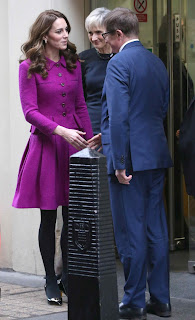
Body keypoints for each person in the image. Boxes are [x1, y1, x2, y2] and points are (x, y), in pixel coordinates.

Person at [89, 7, 173, 320]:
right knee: (155, 228)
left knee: (130, 231)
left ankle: (135, 301)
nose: (103, 42)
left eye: (106, 36)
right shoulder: (156, 61)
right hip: (154, 154)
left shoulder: (118, 63)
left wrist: (120, 161)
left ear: (119, 34)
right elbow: (159, 109)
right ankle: (161, 300)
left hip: (129, 160)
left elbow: (121, 114)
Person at [12, 9, 93, 306]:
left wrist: (90, 139)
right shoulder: (28, 67)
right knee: (49, 217)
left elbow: (81, 105)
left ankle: (68, 277)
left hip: (74, 147)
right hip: (47, 146)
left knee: (72, 217)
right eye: (60, 31)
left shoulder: (74, 64)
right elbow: (29, 112)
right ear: (45, 34)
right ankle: (49, 278)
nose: (66, 35)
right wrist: (61, 131)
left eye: (67, 30)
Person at [79, 7, 113, 135]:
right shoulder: (82, 59)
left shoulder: (123, 58)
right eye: (90, 33)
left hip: (117, 125)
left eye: (99, 32)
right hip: (91, 125)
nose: (93, 38)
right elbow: (79, 97)